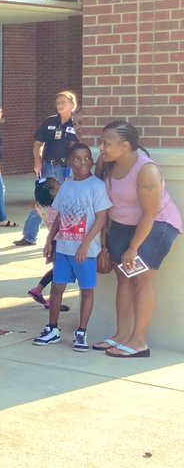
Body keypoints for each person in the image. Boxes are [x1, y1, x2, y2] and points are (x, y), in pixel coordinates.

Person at [94, 120, 181, 358]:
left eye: (106, 143)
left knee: (141, 278)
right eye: (101, 142)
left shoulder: (146, 170)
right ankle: (121, 335)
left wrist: (133, 248)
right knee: (123, 277)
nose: (100, 147)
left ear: (124, 146)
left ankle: (139, 341)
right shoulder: (106, 163)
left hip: (156, 225)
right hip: (124, 223)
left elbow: (150, 213)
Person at [33, 143, 111, 350]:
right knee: (57, 288)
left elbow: (102, 217)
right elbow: (59, 215)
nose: (83, 162)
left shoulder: (97, 186)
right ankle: (52, 329)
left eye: (87, 158)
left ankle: (81, 332)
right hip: (64, 248)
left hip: (85, 251)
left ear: (92, 161)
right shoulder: (66, 185)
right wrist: (50, 239)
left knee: (86, 291)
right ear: (69, 162)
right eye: (77, 158)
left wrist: (86, 245)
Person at [17, 91, 80, 246]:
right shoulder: (49, 122)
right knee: (42, 201)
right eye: (57, 102)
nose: (59, 105)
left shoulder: (77, 123)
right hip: (48, 167)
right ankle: (29, 236)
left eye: (63, 102)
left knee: (65, 202)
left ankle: (65, 236)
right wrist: (37, 161)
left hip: (66, 168)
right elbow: (37, 144)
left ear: (73, 104)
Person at [25, 177, 70, 313]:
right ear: (52, 193)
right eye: (58, 185)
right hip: (61, 242)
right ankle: (52, 300)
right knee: (61, 274)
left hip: (53, 241)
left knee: (57, 271)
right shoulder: (56, 208)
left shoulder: (40, 205)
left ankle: (38, 289)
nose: (61, 185)